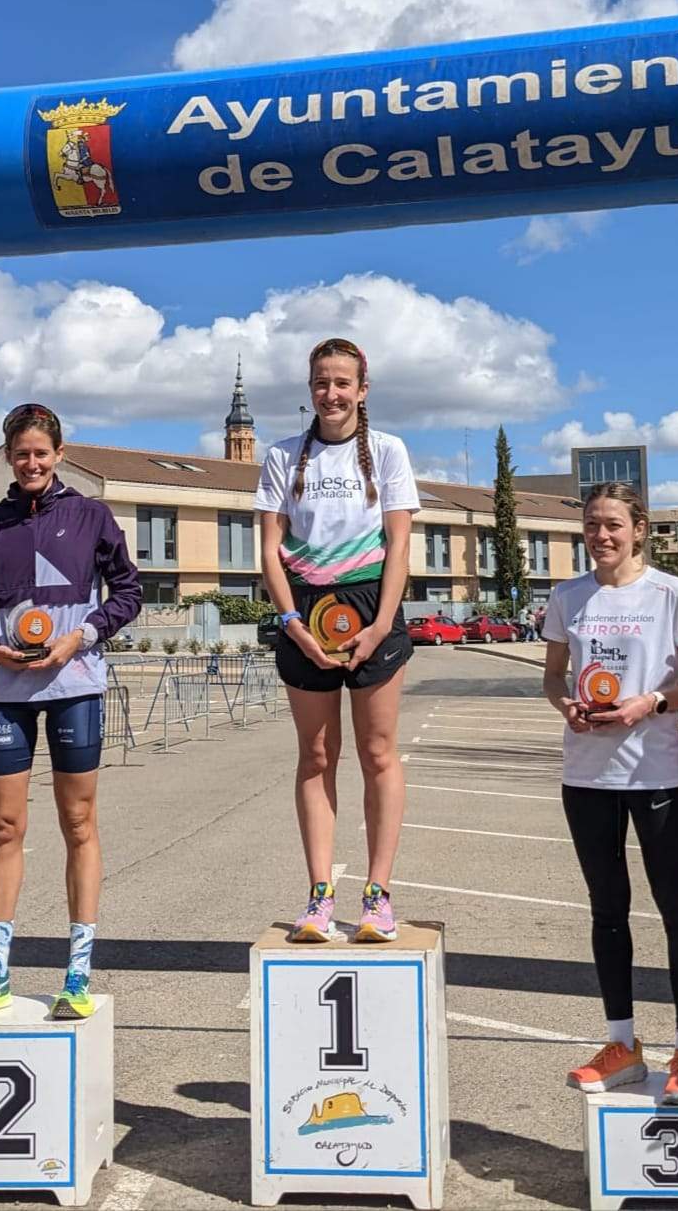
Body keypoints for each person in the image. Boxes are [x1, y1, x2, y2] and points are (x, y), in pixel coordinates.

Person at [0, 403, 141, 1020]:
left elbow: (129, 592)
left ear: (59, 453)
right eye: (21, 453)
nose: (31, 463)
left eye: (41, 453)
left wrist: (82, 636)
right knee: (5, 829)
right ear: (9, 456)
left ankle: (77, 972)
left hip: (75, 686)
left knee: (78, 824)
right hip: (5, 692)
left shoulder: (91, 515)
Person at [542, 483, 678, 1104]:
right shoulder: (568, 596)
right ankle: (622, 1042)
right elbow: (553, 677)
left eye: (614, 525)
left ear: (639, 529)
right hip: (587, 776)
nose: (603, 536)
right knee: (607, 909)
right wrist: (567, 706)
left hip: (658, 774)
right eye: (593, 525)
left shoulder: (672, 593)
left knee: (675, 907)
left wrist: (654, 701)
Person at [255, 337, 419, 943]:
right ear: (311, 389)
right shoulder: (280, 456)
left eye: (342, 383)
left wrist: (381, 624)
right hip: (306, 610)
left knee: (378, 752)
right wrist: (292, 623)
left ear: (362, 390)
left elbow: (399, 545)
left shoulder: (389, 450)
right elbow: (269, 551)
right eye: (322, 382)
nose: (332, 393)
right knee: (317, 755)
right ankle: (320, 896)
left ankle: (378, 896)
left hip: (373, 604)